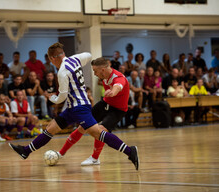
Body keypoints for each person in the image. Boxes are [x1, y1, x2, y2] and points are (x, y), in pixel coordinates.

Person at [9, 43, 139, 170]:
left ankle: (129, 151)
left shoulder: (62, 72)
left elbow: (62, 96)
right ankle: (26, 151)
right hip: (73, 107)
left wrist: (51, 98)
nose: (94, 73)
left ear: (52, 59)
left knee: (98, 133)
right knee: (51, 128)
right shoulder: (76, 59)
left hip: (80, 108)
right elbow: (88, 55)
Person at [57, 56, 132, 166]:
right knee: (83, 126)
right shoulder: (104, 75)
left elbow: (118, 86)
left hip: (117, 110)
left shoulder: (118, 77)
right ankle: (61, 153)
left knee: (101, 130)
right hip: (105, 104)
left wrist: (113, 92)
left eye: (95, 71)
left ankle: (95, 158)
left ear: (102, 70)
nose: (95, 74)